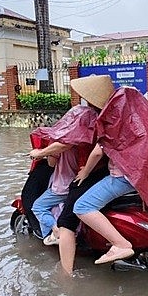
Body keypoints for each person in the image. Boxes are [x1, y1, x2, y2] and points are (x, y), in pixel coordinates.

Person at [70, 74, 148, 265]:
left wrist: (85, 172)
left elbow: (98, 152)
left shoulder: (111, 116)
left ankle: (120, 244)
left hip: (122, 178)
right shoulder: (129, 110)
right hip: (140, 176)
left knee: (82, 207)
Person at [27, 105, 101, 273]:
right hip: (85, 182)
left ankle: (55, 233)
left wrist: (42, 152)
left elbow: (52, 164)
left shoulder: (62, 142)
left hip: (63, 185)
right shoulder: (91, 137)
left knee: (38, 206)